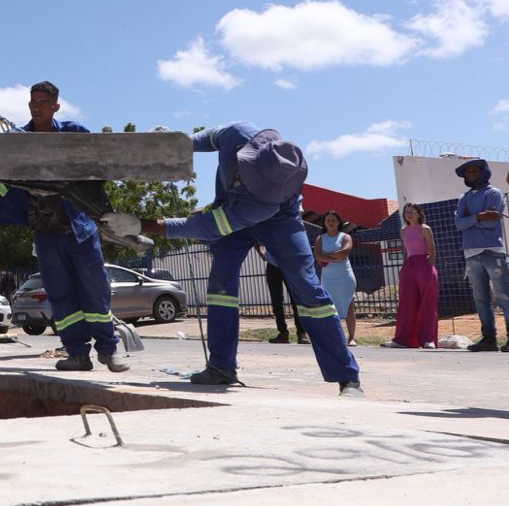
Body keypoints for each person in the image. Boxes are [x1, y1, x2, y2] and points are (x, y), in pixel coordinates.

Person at [116, 123, 363, 396]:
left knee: (308, 289)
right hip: (230, 209)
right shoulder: (236, 133)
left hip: (279, 221)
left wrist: (141, 225)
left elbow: (207, 227)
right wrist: (176, 142)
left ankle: (347, 377)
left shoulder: (264, 203)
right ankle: (221, 367)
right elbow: (202, 141)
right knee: (221, 287)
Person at [0, 82, 125, 373]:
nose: (36, 106)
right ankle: (77, 354)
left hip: (79, 229)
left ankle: (109, 350)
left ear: (56, 106)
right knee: (60, 295)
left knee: (95, 290)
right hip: (45, 233)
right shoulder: (21, 139)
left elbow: (98, 168)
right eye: (33, 101)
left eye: (43, 102)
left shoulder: (73, 133)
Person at [452, 158, 509, 352]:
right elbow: (458, 224)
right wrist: (479, 215)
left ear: (483, 172)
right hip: (471, 253)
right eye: (468, 172)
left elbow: (492, 221)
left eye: (474, 171)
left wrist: (470, 218)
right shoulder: (464, 197)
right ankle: (489, 339)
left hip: (492, 251)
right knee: (480, 299)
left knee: (505, 296)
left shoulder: (493, 193)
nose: (471, 175)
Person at [386, 203, 439, 349]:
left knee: (427, 302)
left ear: (419, 213)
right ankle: (402, 339)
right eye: (406, 212)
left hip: (425, 264)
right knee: (406, 303)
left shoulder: (425, 229)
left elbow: (432, 249)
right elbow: (405, 251)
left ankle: (428, 339)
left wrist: (430, 267)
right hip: (409, 266)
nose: (409, 214)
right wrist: (404, 268)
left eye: (412, 211)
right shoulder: (403, 230)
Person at [314, 211, 358, 344]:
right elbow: (317, 256)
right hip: (328, 277)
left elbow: (344, 252)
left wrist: (327, 257)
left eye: (333, 220)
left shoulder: (345, 237)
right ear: (325, 223)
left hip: (345, 276)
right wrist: (335, 257)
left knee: (349, 306)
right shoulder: (320, 239)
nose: (331, 222)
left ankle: (351, 338)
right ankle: (336, 337)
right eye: (328, 220)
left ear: (339, 222)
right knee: (330, 307)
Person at [255, 242, 305, 344]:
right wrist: (261, 252)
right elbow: (257, 242)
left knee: (295, 300)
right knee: (276, 301)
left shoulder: (286, 229)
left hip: (289, 266)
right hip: (273, 266)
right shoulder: (267, 229)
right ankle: (283, 333)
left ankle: (302, 333)